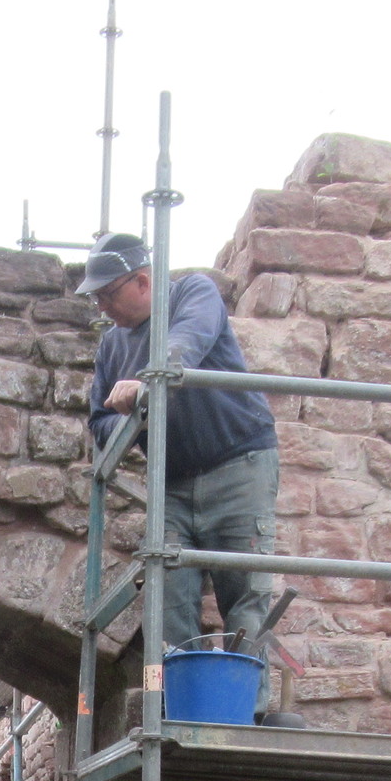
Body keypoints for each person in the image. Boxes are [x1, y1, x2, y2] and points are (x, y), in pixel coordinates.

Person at [81, 233, 282, 664]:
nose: (102, 308)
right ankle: (175, 701)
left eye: (106, 295)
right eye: (95, 299)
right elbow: (99, 423)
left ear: (142, 281)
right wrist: (133, 416)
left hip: (239, 465)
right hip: (171, 484)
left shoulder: (193, 293)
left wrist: (147, 385)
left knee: (245, 603)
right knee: (168, 608)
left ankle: (246, 703)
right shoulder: (111, 346)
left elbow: (187, 343)